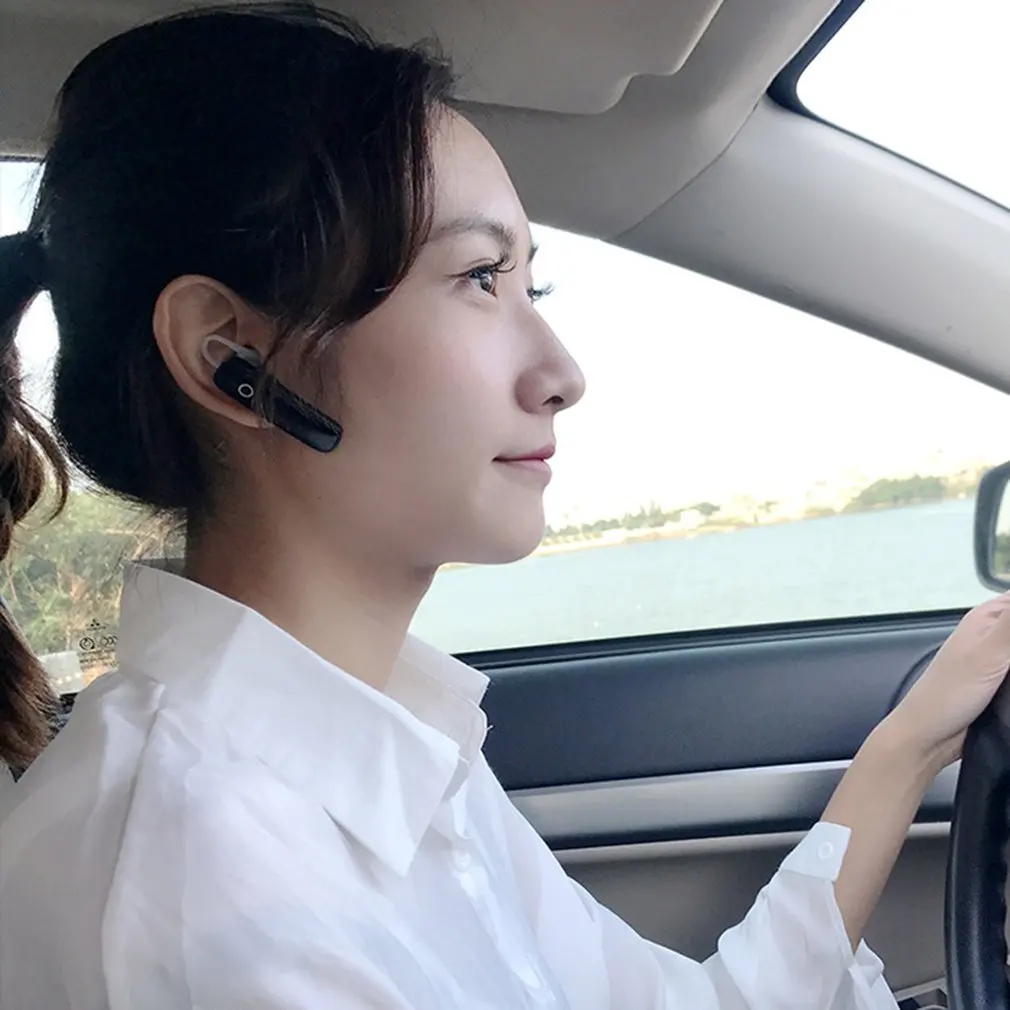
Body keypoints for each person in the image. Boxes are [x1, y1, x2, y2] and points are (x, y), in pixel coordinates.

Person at [0, 4, 1008, 1008]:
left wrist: (909, 744)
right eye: (479, 277)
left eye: (533, 287)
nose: (562, 374)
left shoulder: (379, 747)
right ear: (230, 356)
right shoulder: (210, 901)